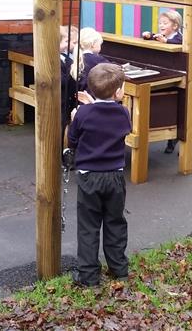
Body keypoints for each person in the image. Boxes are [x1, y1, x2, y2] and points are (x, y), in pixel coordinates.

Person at [67, 63, 132, 287]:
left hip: (89, 177)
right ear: (117, 92)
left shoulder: (83, 113)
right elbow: (111, 120)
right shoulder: (124, 113)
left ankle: (88, 276)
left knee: (89, 226)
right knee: (115, 222)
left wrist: (75, 117)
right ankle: (119, 269)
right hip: (114, 177)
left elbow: (73, 140)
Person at [142, 10, 183, 153]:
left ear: (175, 26)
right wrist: (148, 36)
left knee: (177, 108)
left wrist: (166, 41)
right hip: (165, 70)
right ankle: (169, 137)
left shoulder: (178, 38)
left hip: (177, 72)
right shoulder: (163, 36)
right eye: (160, 23)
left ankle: (174, 138)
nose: (161, 25)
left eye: (165, 23)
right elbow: (154, 37)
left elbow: (178, 43)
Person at [72, 27, 109, 93]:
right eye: (100, 44)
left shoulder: (77, 58)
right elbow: (112, 69)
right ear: (93, 45)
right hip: (93, 96)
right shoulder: (97, 60)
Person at [60, 25, 79, 138]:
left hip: (67, 99)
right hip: (60, 100)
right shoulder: (56, 60)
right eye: (66, 41)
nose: (69, 44)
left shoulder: (66, 58)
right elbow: (60, 80)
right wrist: (71, 70)